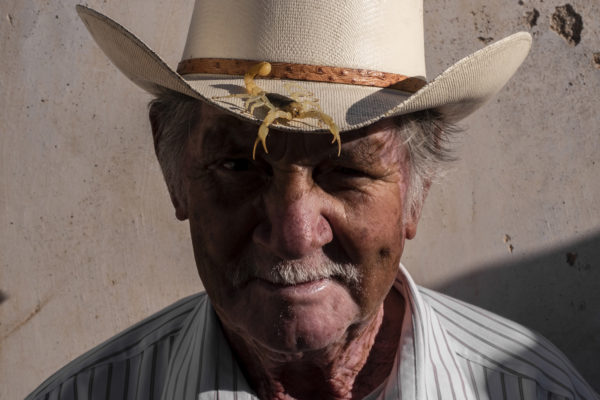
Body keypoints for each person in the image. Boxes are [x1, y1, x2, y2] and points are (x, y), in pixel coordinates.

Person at [27, 1, 598, 399]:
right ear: (174, 169)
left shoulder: (531, 389)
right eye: (237, 165)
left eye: (346, 170)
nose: (295, 231)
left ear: (414, 187)